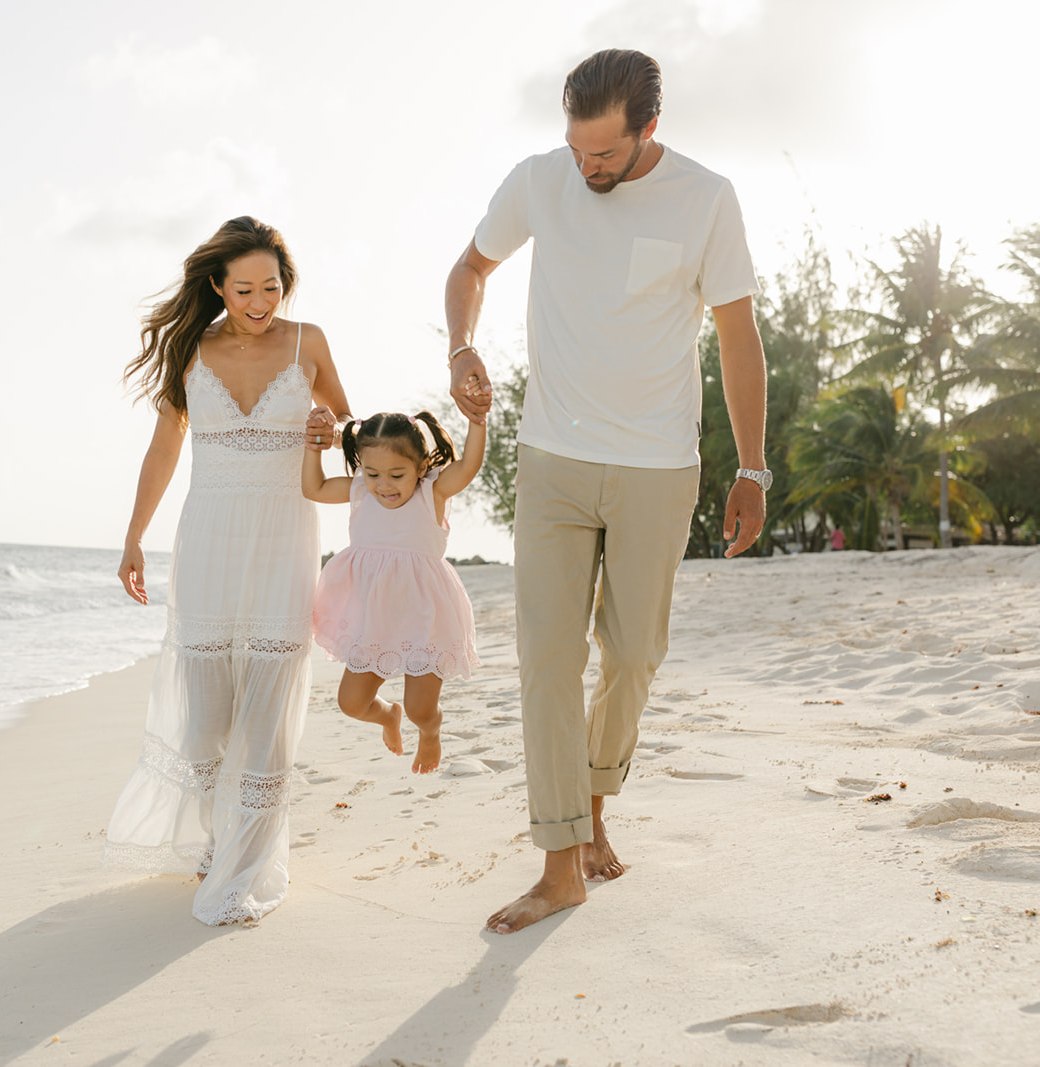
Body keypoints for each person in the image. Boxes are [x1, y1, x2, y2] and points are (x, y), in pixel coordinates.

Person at [444, 49, 770, 933]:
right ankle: (559, 864)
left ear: (648, 131)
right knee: (548, 659)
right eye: (576, 149)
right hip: (549, 457)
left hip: (658, 467)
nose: (587, 168)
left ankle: (593, 804)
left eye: (605, 156)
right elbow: (468, 271)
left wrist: (752, 467)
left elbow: (739, 337)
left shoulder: (706, 199)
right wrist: (461, 346)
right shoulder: (540, 181)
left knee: (632, 656)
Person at [106, 215, 350, 927]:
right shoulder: (192, 348)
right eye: (243, 288)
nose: (258, 301)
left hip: (283, 535)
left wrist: (330, 431)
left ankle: (245, 866)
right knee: (206, 718)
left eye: (270, 287)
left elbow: (346, 421)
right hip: (209, 537)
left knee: (269, 704)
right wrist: (133, 536)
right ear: (217, 286)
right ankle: (218, 839)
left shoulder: (310, 342)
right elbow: (164, 448)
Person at [303, 411, 485, 774]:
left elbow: (468, 467)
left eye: (396, 475)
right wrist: (313, 448)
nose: (384, 485)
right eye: (372, 474)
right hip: (374, 621)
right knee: (352, 703)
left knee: (420, 708)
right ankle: (388, 716)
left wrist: (477, 422)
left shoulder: (433, 491)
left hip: (424, 617)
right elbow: (314, 488)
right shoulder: (359, 490)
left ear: (420, 467)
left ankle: (430, 730)